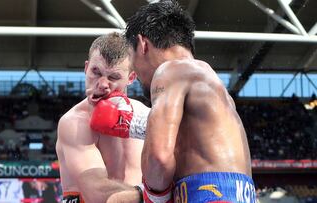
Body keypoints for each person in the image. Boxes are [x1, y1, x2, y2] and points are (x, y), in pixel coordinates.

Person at [120, 1, 256, 202]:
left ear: (142, 44)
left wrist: (153, 196)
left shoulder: (170, 71)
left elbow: (159, 157)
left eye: (132, 61)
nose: (135, 73)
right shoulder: (208, 80)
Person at [55, 32, 150, 203]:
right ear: (86, 68)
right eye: (96, 72)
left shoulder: (145, 115)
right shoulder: (74, 123)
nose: (103, 84)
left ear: (131, 77)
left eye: (114, 77)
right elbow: (97, 193)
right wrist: (156, 194)